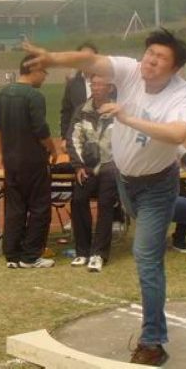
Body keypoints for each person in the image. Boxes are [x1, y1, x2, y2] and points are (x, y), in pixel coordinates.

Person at [24, 28, 186, 367]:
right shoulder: (131, 70)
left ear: (175, 68)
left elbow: (179, 133)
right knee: (152, 213)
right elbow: (92, 60)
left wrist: (127, 117)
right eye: (150, 53)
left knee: (146, 257)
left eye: (161, 58)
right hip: (124, 180)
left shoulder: (181, 94)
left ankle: (153, 343)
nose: (151, 61)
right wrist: (53, 58)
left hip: (158, 184)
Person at [0, 55, 58, 269]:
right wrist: (53, 149)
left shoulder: (1, 94)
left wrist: (5, 154)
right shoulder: (34, 96)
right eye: (44, 72)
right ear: (34, 69)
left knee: (15, 208)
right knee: (40, 208)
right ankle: (31, 256)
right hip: (33, 160)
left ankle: (12, 254)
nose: (45, 77)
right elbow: (41, 130)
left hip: (11, 161)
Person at [68, 74, 118, 272]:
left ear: (110, 88)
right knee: (78, 200)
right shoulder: (82, 111)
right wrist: (78, 166)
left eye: (100, 84)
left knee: (106, 204)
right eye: (93, 84)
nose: (95, 88)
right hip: (88, 167)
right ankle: (82, 251)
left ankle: (99, 254)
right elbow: (74, 139)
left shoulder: (118, 110)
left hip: (111, 167)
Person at [60, 43, 98, 149]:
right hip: (79, 136)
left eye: (89, 57)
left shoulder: (107, 82)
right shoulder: (72, 84)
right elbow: (66, 112)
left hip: (101, 136)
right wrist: (64, 137)